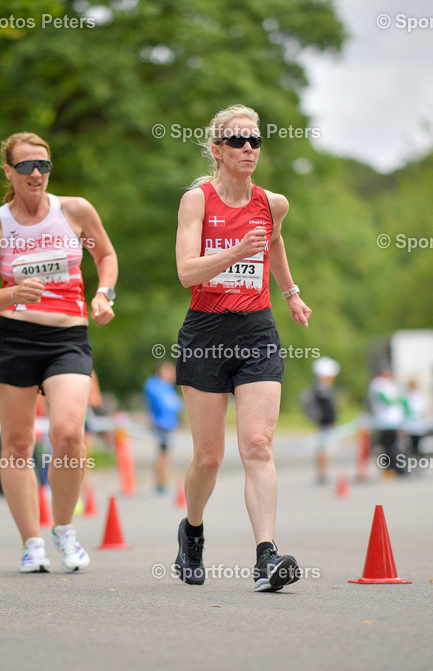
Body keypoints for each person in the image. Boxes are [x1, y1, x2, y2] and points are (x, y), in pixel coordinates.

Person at [172, 105, 310, 592]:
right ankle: (191, 532)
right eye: (238, 141)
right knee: (208, 457)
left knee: (256, 444)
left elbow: (273, 245)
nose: (249, 148)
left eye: (255, 139)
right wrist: (233, 251)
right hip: (206, 331)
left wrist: (291, 293)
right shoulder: (197, 201)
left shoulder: (273, 203)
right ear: (217, 150)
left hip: (256, 330)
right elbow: (187, 272)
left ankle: (266, 557)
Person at [0, 131, 117, 573]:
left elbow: (106, 256)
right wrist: (11, 293)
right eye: (27, 166)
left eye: (44, 166)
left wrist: (104, 294)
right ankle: (32, 543)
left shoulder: (75, 211)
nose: (36, 174)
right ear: (9, 171)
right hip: (14, 338)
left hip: (68, 339)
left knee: (69, 433)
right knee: (16, 444)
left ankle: (65, 530)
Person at [143, 361, 183, 494]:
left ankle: (162, 481)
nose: (172, 374)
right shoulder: (154, 385)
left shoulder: (166, 386)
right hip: (160, 424)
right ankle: (160, 482)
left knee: (165, 454)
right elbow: (168, 404)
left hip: (168, 423)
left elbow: (177, 404)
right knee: (162, 453)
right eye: (169, 371)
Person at [302, 356, 340, 485]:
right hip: (326, 424)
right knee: (325, 449)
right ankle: (322, 474)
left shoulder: (319, 387)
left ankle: (322, 474)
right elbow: (327, 408)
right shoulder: (322, 388)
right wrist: (330, 421)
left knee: (323, 449)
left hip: (324, 423)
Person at [368, 364, 406, 477]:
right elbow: (386, 400)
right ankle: (391, 468)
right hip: (386, 420)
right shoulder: (378, 383)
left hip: (392, 420)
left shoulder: (386, 383)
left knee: (391, 445)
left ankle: (394, 468)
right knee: (388, 446)